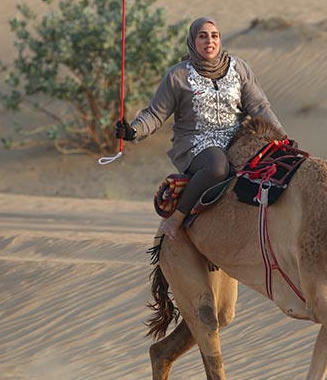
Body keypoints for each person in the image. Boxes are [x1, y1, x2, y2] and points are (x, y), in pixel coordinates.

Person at [115, 16, 286, 237]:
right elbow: (155, 114)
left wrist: (281, 136)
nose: (209, 41)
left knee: (272, 166)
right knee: (218, 168)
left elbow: (259, 106)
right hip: (196, 141)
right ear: (193, 41)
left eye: (214, 36)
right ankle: (176, 219)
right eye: (202, 36)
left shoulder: (239, 68)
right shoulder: (178, 75)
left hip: (238, 138)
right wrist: (134, 130)